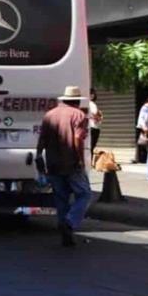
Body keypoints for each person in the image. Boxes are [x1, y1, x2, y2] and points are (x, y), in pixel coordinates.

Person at [36, 86, 92, 247]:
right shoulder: (78, 114)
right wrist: (80, 159)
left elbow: (42, 139)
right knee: (84, 194)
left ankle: (65, 233)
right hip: (71, 163)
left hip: (53, 162)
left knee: (61, 198)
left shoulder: (50, 115)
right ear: (75, 100)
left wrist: (39, 155)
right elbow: (77, 139)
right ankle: (70, 221)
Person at [88, 88, 103, 153]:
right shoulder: (91, 104)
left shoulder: (90, 103)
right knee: (91, 146)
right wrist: (99, 115)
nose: (92, 95)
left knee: (91, 147)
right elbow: (95, 115)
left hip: (93, 127)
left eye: (92, 94)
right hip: (93, 127)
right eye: (90, 94)